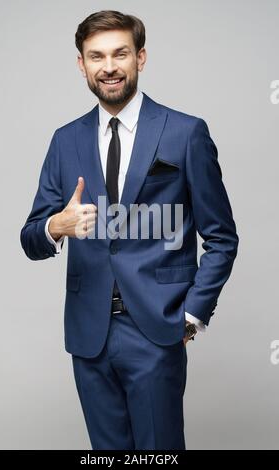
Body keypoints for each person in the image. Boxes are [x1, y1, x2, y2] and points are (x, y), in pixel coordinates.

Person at [20, 10, 239, 450]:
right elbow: (30, 238)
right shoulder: (65, 141)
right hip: (89, 335)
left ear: (140, 57)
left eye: (120, 53)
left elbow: (221, 237)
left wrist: (192, 315)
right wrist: (55, 227)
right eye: (96, 56)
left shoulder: (185, 133)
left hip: (157, 329)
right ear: (82, 65)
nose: (109, 67)